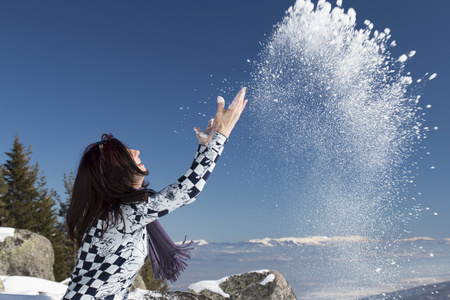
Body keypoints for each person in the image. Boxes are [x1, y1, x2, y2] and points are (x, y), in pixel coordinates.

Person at [62, 88, 248, 299]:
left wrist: (205, 146)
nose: (136, 151)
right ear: (116, 171)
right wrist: (221, 135)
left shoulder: (115, 213)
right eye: (126, 153)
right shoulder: (120, 215)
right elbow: (185, 190)